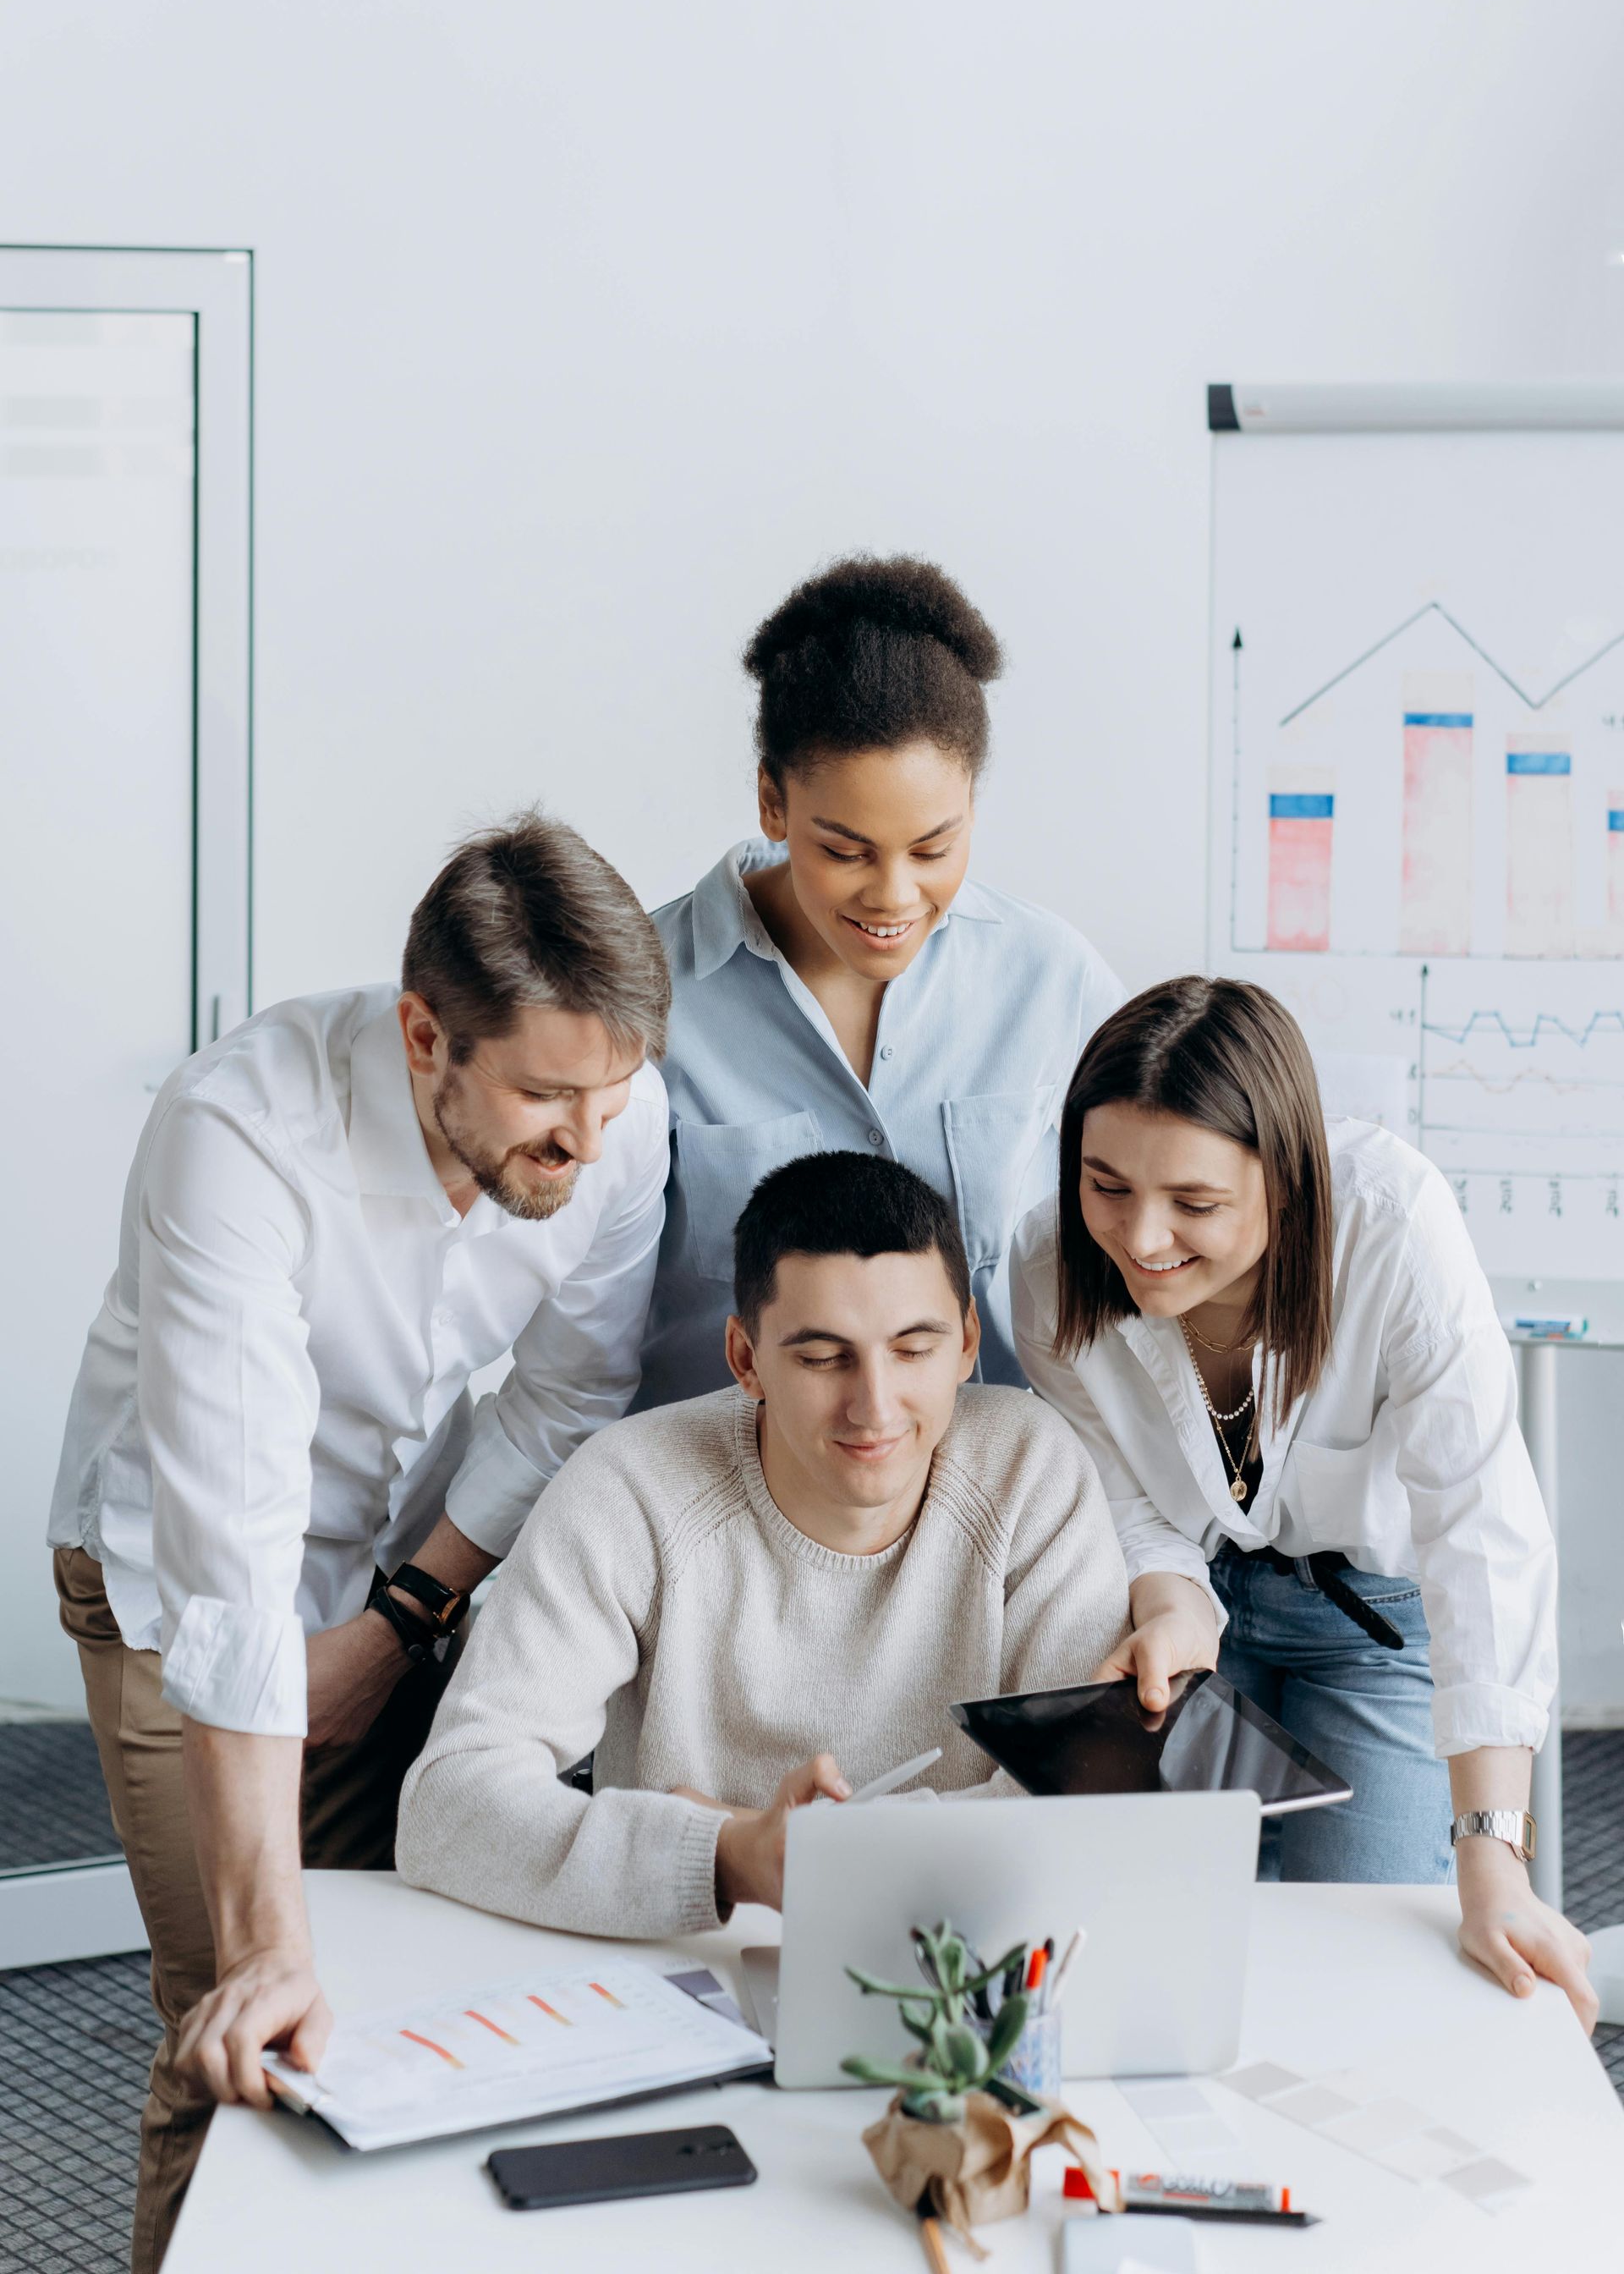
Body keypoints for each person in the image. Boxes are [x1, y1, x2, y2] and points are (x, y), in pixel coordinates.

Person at [49, 811, 672, 2273]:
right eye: (543, 1097)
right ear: (420, 1034)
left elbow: (573, 1388)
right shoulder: (238, 1138)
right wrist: (269, 1938)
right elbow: (231, 1565)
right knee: (249, 2027)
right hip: (172, 1587)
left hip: (407, 1557)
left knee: (416, 1996)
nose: (585, 1141)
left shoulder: (613, 1114)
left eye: (614, 1093)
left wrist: (395, 1625)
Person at [1011, 975, 1598, 2030]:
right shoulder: (1048, 1262)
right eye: (1106, 1186)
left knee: (1367, 1959)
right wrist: (1173, 1605)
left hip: (1383, 1621)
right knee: (1128, 1944)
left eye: (1195, 1205)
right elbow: (1115, 1487)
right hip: (1195, 1603)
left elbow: (1479, 1531)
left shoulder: (1394, 1227)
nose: (1141, 1241)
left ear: (1286, 1183)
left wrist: (1494, 1854)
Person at [396, 1151, 1129, 1934]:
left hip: (961, 1955)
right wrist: (730, 1853)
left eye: (914, 1350)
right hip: (680, 1972)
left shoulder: (1031, 1472)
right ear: (746, 1359)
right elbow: (448, 1805)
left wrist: (796, 1846)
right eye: (822, 1358)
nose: (874, 1408)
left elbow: (1081, 1812)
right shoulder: (631, 1488)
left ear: (968, 1342)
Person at [635, 554, 1121, 1408]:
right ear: (772, 804)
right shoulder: (646, 993)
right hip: (710, 1495)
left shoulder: (1053, 981)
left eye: (934, 848)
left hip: (999, 1490)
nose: (894, 895)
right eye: (844, 850)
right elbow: (574, 1334)